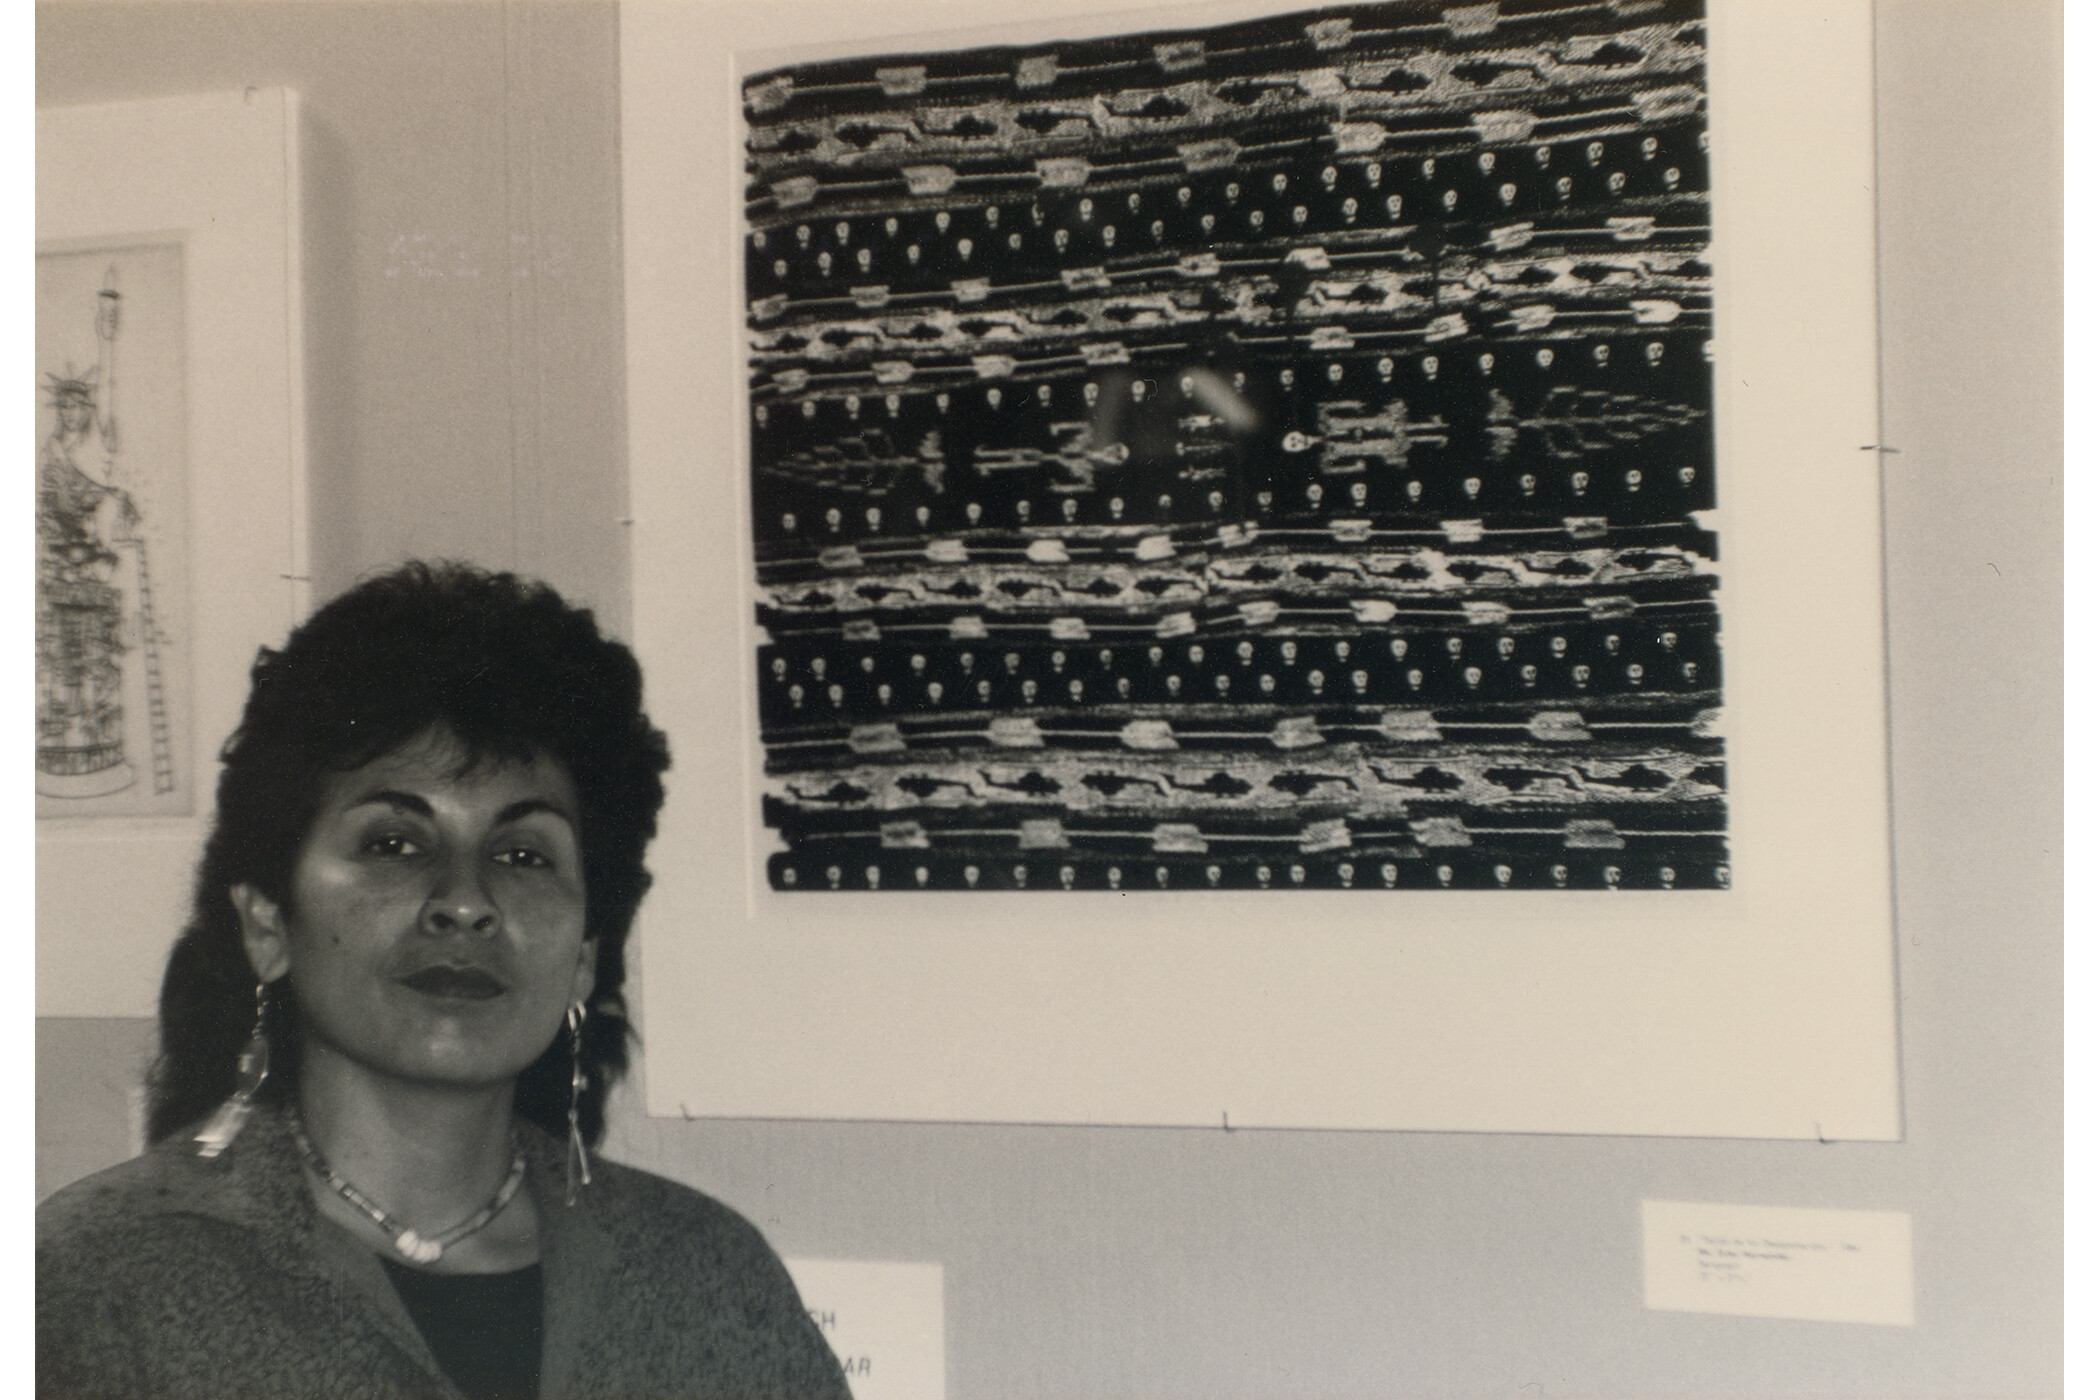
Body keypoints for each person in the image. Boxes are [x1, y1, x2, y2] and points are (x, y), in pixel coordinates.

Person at [37, 562, 850, 1400]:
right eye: (393, 842)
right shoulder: (95, 1285)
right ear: (268, 923)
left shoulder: (709, 1280)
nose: (465, 902)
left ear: (583, 956)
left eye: (523, 854)